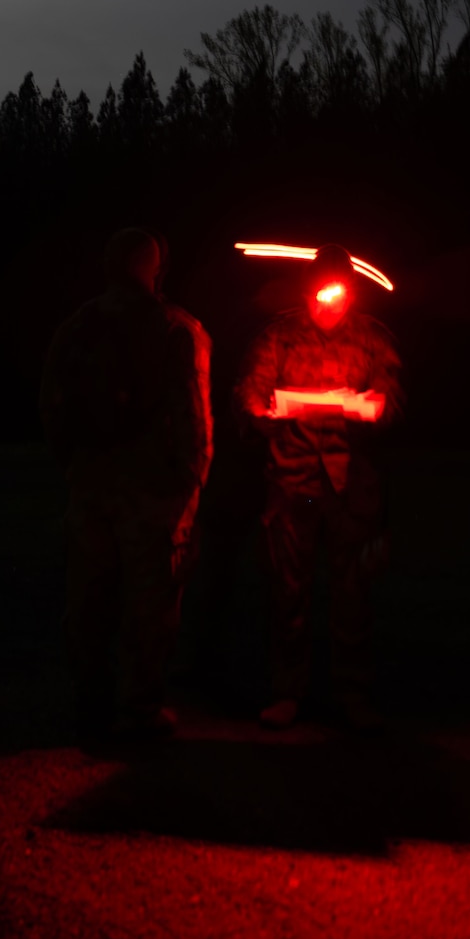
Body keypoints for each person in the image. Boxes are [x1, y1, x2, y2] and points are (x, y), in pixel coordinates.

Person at [40, 227, 212, 737]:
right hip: (155, 492)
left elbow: (51, 406)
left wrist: (74, 468)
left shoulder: (76, 326)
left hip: (91, 486)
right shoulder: (177, 329)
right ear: (156, 268)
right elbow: (193, 418)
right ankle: (139, 708)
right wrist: (193, 484)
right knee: (150, 603)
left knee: (89, 598)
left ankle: (89, 702)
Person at [236, 244, 403, 731]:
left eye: (338, 293)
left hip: (351, 488)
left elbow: (393, 404)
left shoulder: (372, 338)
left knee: (353, 592)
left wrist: (366, 408)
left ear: (351, 292)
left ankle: (353, 695)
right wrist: (266, 412)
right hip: (296, 483)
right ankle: (288, 692)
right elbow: (249, 395)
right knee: (289, 589)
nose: (328, 303)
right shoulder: (279, 336)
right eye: (319, 293)